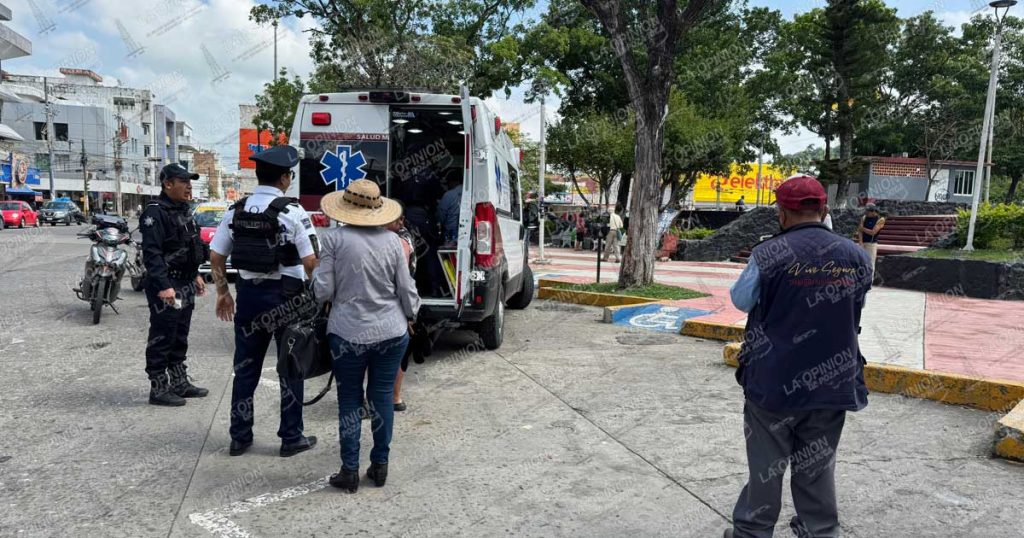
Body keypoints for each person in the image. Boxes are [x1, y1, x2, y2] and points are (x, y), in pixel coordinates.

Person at [724, 175, 871, 538]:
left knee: (766, 464)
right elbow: (859, 304)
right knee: (817, 464)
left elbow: (741, 300)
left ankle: (753, 531)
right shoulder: (854, 255)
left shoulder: (769, 252)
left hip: (773, 381)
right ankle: (821, 530)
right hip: (833, 381)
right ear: (823, 209)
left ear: (781, 212)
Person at [209, 145, 320, 458]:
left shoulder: (236, 210)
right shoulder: (293, 212)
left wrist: (222, 292)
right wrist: (319, 295)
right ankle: (291, 437)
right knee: (291, 366)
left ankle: (240, 437)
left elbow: (216, 256)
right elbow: (311, 262)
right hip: (288, 300)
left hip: (248, 298)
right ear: (284, 178)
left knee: (245, 369)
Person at [314, 179, 420, 494]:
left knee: (349, 400)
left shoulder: (331, 239)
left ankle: (349, 470)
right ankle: (380, 465)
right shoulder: (393, 242)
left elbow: (323, 291)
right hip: (391, 331)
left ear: (345, 207)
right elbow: (406, 289)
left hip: (347, 333)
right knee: (382, 397)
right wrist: (411, 315)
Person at [140, 164, 209, 407]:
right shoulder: (155, 212)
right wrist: (164, 286)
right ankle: (158, 388)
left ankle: (179, 382)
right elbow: (152, 254)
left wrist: (196, 274)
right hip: (168, 284)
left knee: (180, 333)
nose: (189, 185)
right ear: (168, 184)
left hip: (185, 282)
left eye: (190, 181)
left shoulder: (183, 210)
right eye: (184, 181)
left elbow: (191, 247)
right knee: (163, 334)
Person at [386, 205, 417, 412]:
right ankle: (392, 397)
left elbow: (404, 282)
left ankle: (394, 396)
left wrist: (409, 312)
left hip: (395, 302)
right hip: (396, 302)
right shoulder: (398, 238)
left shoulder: (401, 240)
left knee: (397, 351)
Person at [857, 203, 885, 272]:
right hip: (863, 243)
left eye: (868, 211)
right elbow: (859, 231)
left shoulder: (880, 219)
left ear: (873, 211)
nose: (866, 212)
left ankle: (869, 281)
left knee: (870, 263)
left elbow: (873, 232)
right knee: (861, 263)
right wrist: (860, 242)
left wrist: (862, 228)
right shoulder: (864, 217)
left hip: (871, 244)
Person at [437, 172, 463, 244]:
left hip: (451, 234)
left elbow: (441, 217)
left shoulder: (449, 195)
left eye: (448, 183)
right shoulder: (470, 193)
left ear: (453, 182)